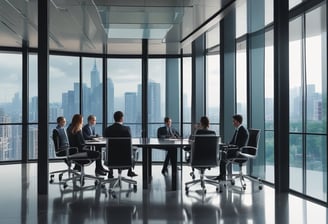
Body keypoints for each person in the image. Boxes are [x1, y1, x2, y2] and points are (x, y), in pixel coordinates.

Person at [214, 114, 249, 181]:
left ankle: (222, 176)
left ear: (238, 122)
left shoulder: (243, 131)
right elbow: (233, 142)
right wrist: (227, 145)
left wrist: (229, 147)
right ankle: (222, 175)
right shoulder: (238, 130)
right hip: (236, 150)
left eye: (234, 121)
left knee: (223, 157)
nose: (233, 123)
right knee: (223, 154)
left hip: (240, 153)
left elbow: (240, 145)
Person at [103, 111, 138, 178]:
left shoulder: (108, 129)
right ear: (122, 118)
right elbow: (129, 140)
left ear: (114, 118)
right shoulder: (127, 129)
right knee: (131, 149)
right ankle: (129, 171)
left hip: (111, 159)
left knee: (111, 150)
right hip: (125, 159)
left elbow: (104, 139)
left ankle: (110, 172)